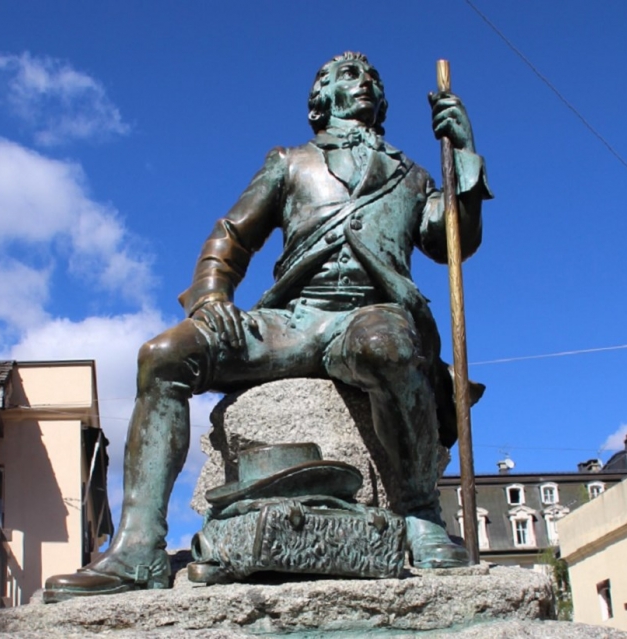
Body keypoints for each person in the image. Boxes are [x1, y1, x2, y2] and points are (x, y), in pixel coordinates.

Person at [44, 51, 492, 601]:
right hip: (291, 318)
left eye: (372, 76)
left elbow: (453, 241)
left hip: (366, 316)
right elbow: (232, 236)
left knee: (386, 346)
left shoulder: (412, 175)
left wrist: (465, 159)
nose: (366, 82)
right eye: (349, 75)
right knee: (161, 355)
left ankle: (418, 513)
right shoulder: (290, 161)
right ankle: (139, 549)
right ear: (319, 100)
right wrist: (212, 296)